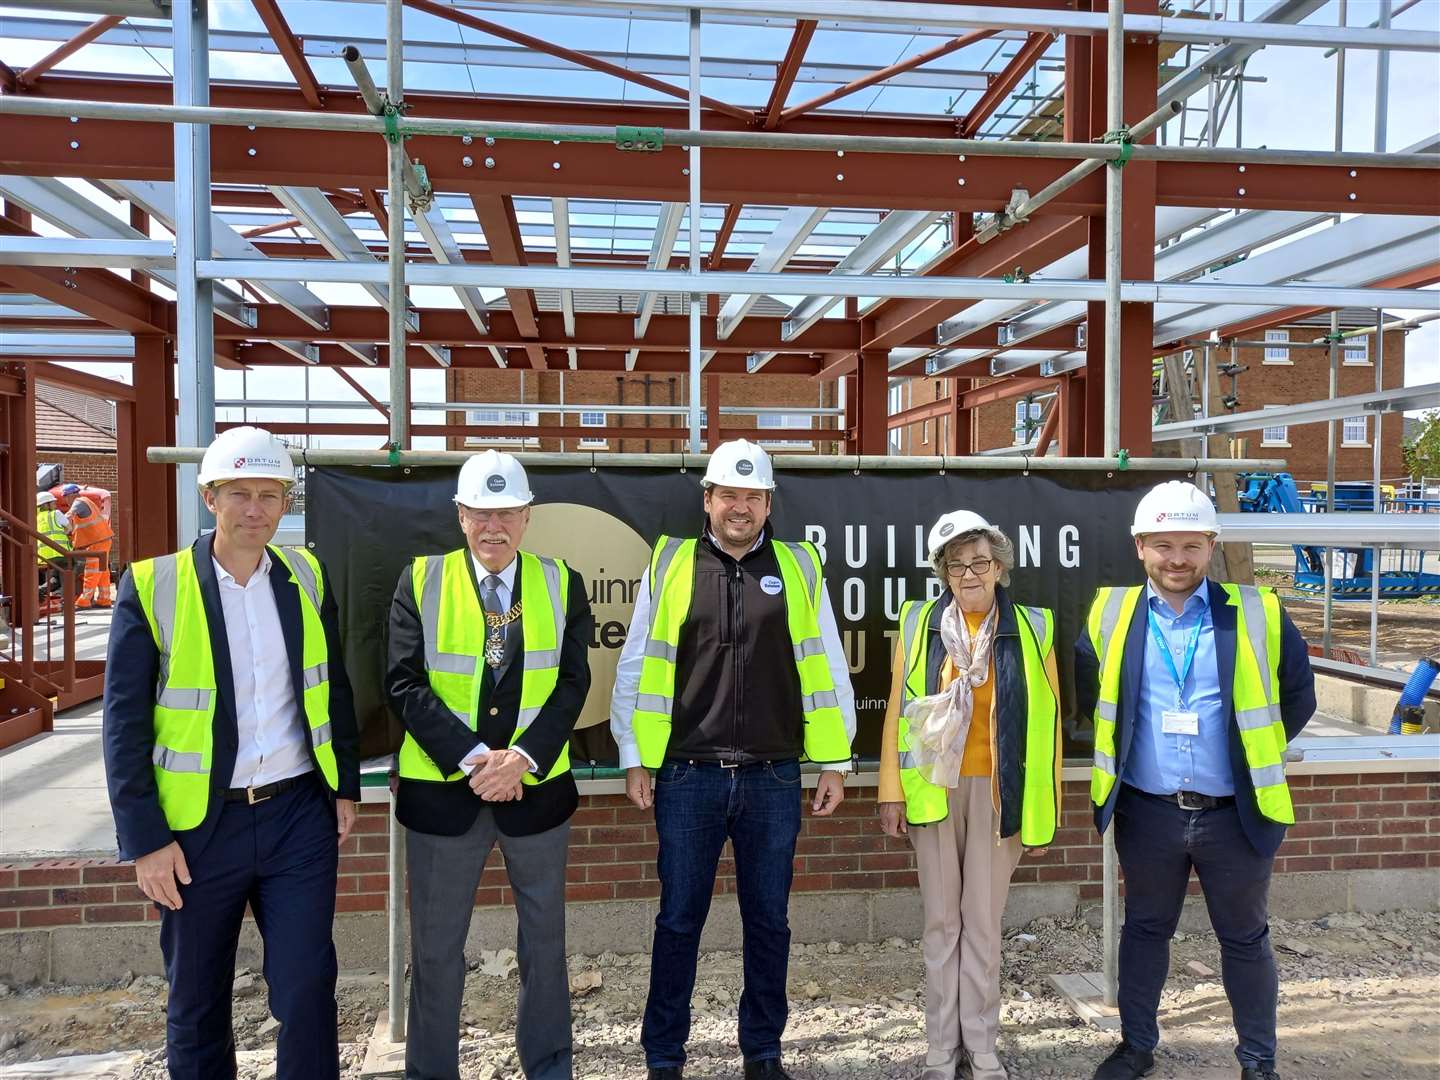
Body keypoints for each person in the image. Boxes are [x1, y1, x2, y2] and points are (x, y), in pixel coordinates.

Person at [102, 425, 360, 1079]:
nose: (256, 510)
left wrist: (345, 786)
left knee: (305, 991)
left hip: (297, 814)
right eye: (239, 493)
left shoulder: (306, 575)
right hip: (195, 831)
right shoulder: (155, 586)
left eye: (270, 494)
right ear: (209, 496)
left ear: (286, 500)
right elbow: (123, 724)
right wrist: (145, 840)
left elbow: (334, 686)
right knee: (196, 1001)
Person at [610, 438, 857, 1080]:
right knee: (677, 921)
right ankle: (664, 1054)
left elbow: (827, 662)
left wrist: (835, 761)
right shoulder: (671, 563)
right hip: (687, 773)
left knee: (769, 922)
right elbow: (637, 660)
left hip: (773, 777)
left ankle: (763, 1050)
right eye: (729, 495)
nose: (740, 507)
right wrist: (634, 754)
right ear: (708, 500)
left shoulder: (799, 567)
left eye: (753, 496)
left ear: (768, 501)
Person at [1076, 481, 1315, 1080]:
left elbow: (1298, 697)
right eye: (1162, 545)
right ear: (1139, 547)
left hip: (1234, 811)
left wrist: (1246, 753)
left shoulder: (1259, 612)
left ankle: (1258, 1060)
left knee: (1244, 938)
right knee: (1146, 930)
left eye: (1190, 545)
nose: (1176, 559)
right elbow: (1090, 695)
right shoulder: (1110, 612)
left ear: (1211, 545)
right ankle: (1136, 1047)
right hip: (1149, 811)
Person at [386, 448, 592, 1080]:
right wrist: (480, 761)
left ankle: (549, 1065)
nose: (493, 525)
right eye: (481, 512)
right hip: (445, 799)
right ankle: (430, 1070)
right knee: (438, 950)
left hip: (537, 794)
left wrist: (522, 758)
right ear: (459, 515)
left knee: (545, 947)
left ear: (528, 517)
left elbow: (572, 683)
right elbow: (403, 684)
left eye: (507, 511)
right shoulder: (420, 578)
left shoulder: (561, 581)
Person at [877, 510, 1060, 1080]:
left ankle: (980, 1045)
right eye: (955, 566)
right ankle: (940, 1046)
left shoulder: (1032, 628)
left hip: (999, 795)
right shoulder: (918, 625)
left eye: (979, 562)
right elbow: (896, 715)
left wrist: (1043, 810)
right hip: (933, 790)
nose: (969, 574)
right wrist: (890, 792)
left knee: (981, 922)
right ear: (943, 574)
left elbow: (1050, 725)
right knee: (941, 922)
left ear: (1000, 566)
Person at [68, 483, 115, 608]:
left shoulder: (78, 502)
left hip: (97, 542)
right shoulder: (86, 502)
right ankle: (104, 599)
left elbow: (68, 516)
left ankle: (85, 600)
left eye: (66, 497)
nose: (66, 500)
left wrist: (63, 525)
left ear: (71, 495)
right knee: (102, 570)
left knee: (92, 570)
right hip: (103, 539)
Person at [36, 489, 71, 608]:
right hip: (60, 553)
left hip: (43, 557)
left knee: (55, 577)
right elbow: (69, 528)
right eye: (52, 502)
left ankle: (40, 590)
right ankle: (65, 603)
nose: (55, 504)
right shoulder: (56, 514)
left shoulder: (36, 518)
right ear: (46, 505)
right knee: (70, 571)